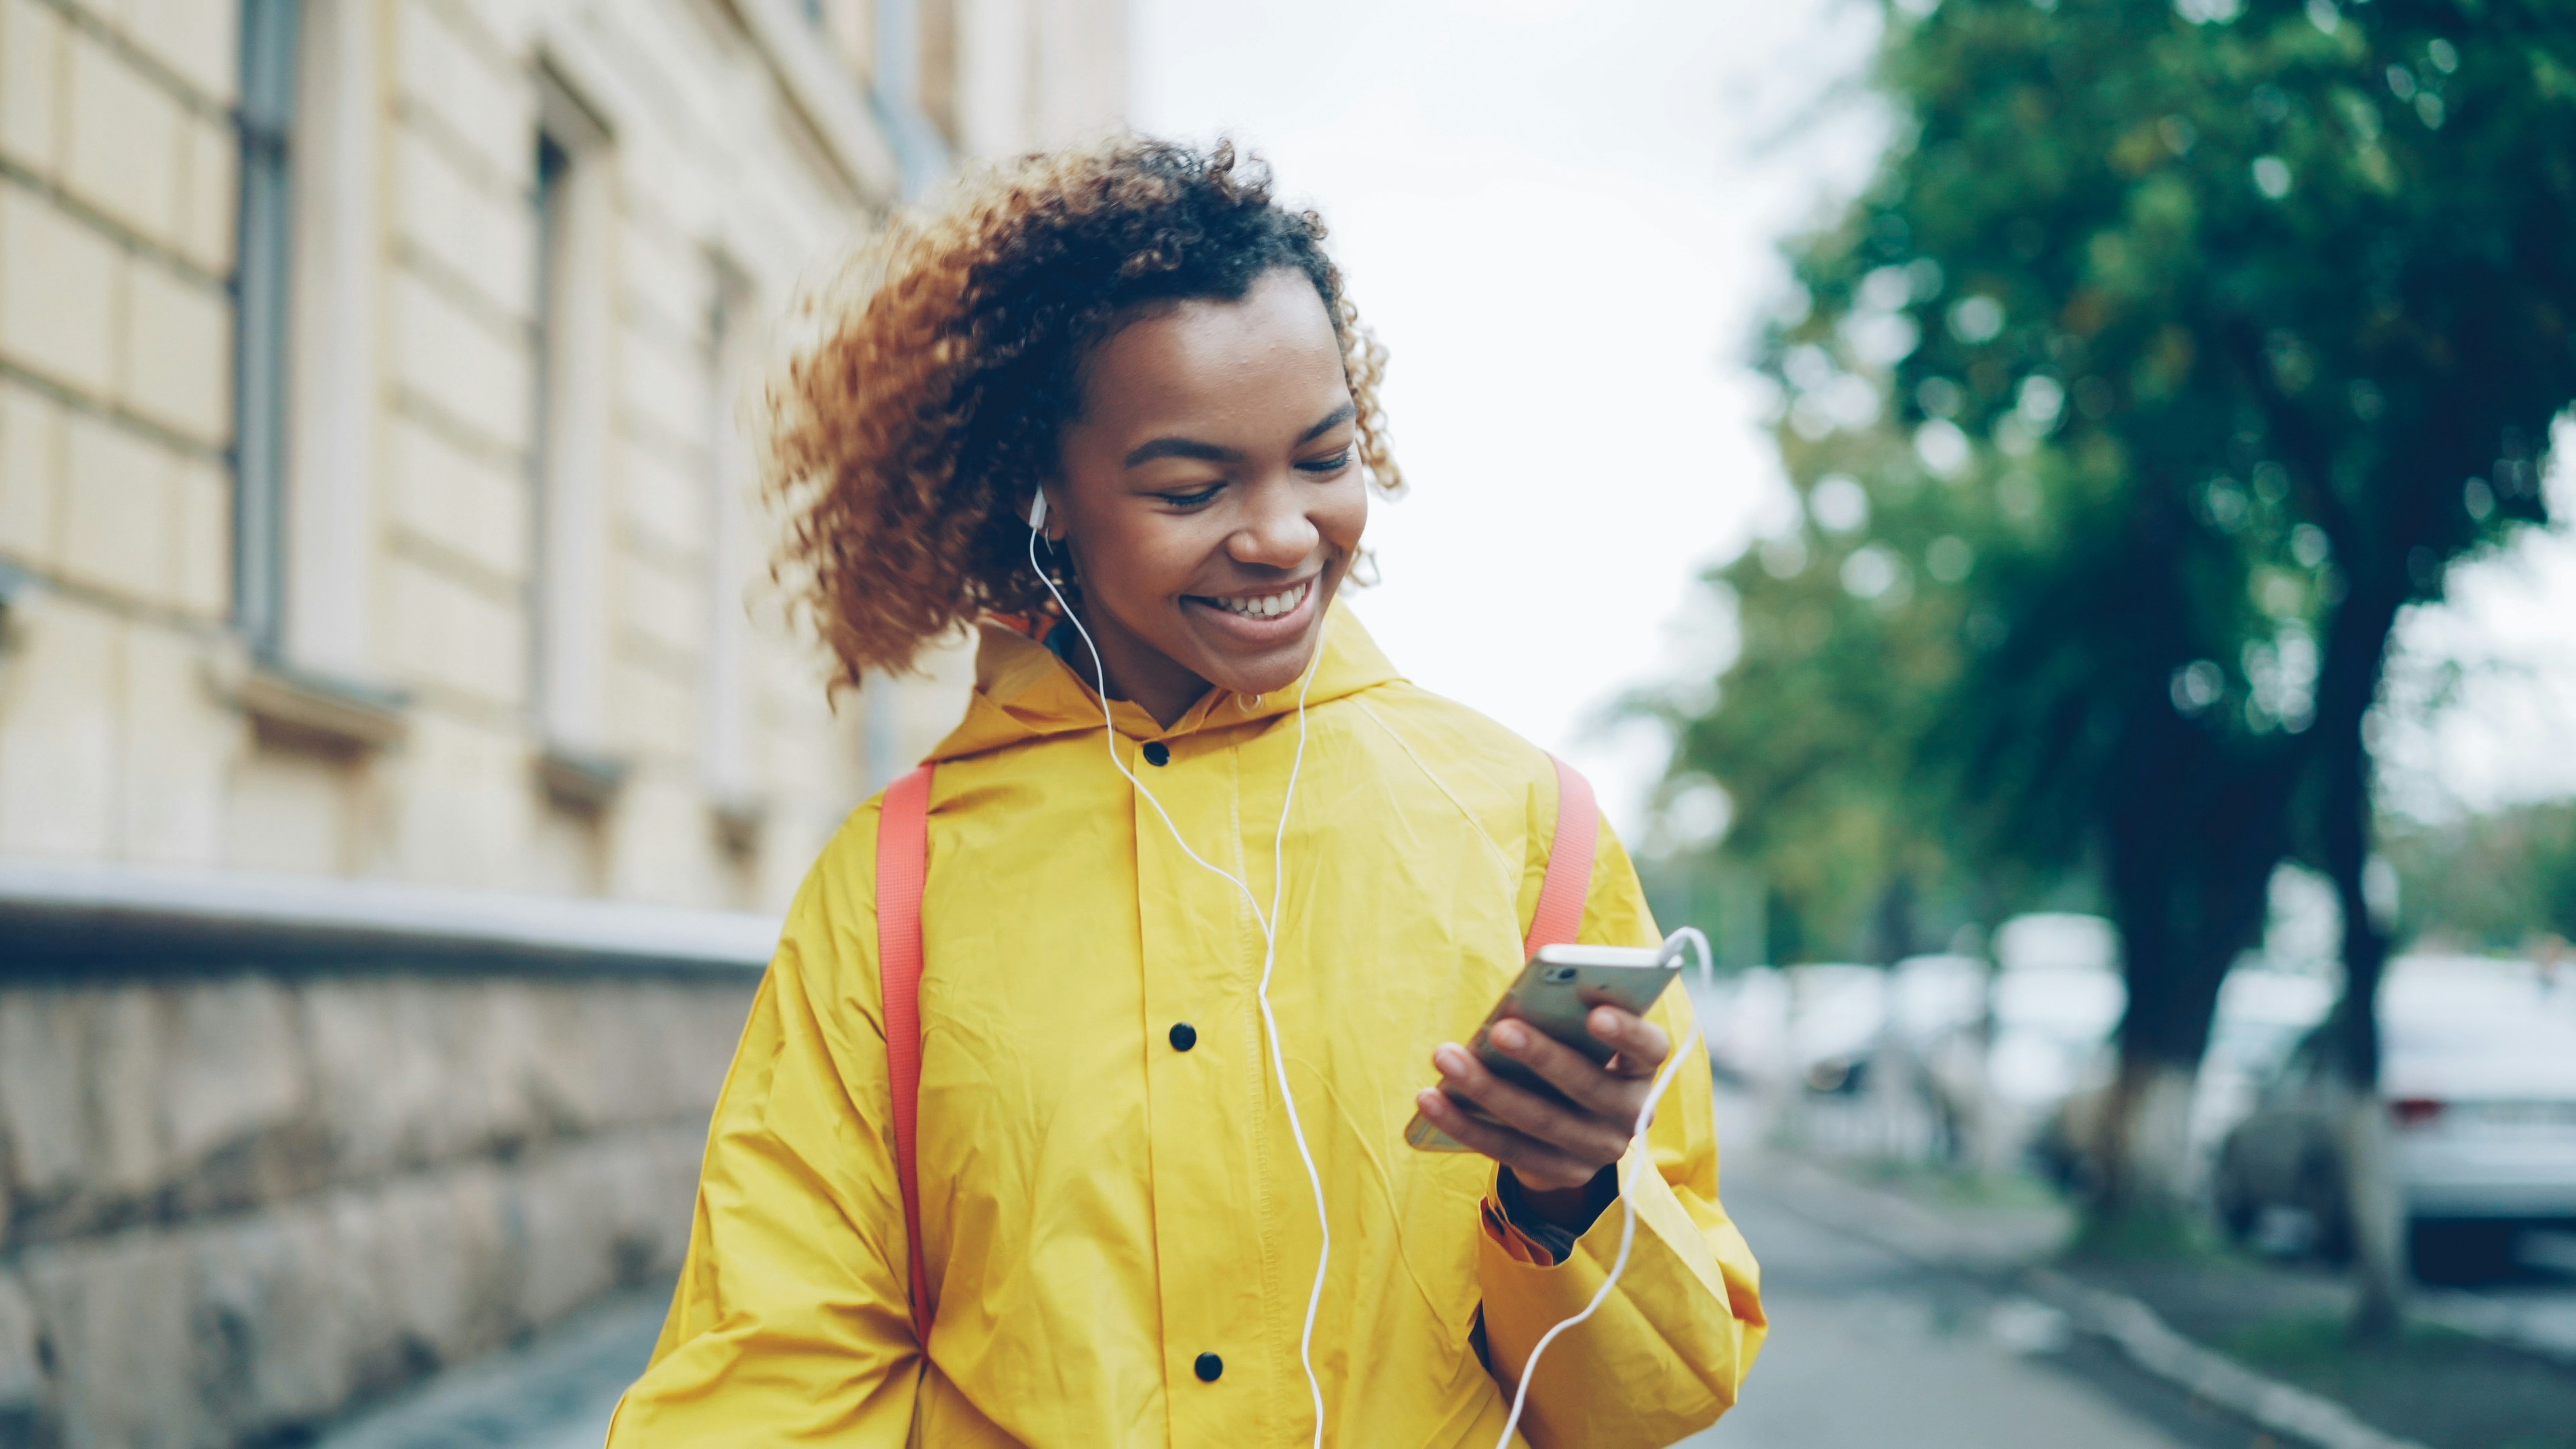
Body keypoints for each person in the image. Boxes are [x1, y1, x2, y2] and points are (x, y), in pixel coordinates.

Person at [607, 138, 1764, 1448]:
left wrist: (1568, 1194)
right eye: (1191, 487)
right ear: (1047, 495)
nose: (1280, 535)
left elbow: (1663, 1391)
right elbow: (776, 1374)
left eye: (1324, 460)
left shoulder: (1522, 825)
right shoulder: (898, 882)